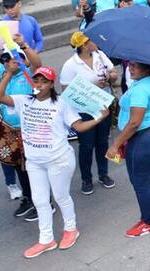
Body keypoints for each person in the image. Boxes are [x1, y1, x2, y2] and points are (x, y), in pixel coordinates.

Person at [0, 64, 107, 260]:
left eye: (44, 81)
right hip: (34, 161)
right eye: (36, 80)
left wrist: (99, 117)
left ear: (51, 84)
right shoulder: (23, 101)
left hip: (58, 160)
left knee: (61, 196)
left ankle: (71, 229)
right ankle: (46, 239)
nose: (39, 84)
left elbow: (79, 127)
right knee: (40, 200)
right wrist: (9, 73)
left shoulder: (61, 104)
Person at [107, 61, 150, 238]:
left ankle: (148, 222)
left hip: (143, 139)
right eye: (130, 64)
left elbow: (134, 123)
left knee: (140, 182)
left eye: (135, 66)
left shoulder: (140, 90)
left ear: (148, 67)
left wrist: (116, 145)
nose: (130, 68)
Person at [59, 32, 119, 195]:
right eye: (92, 40)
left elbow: (114, 73)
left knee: (102, 141)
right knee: (86, 145)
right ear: (84, 45)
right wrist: (92, 87)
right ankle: (86, 179)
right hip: (84, 111)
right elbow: (66, 91)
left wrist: (109, 77)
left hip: (103, 107)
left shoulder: (101, 56)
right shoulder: (70, 65)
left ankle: (103, 174)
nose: (96, 42)